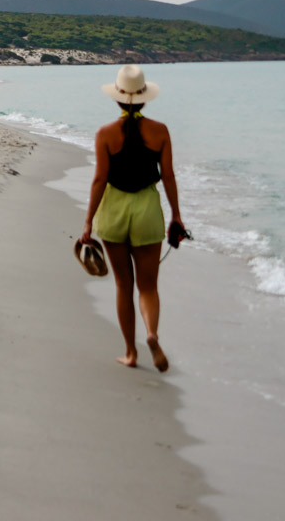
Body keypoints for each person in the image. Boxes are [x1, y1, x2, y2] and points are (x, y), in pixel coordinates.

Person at [80, 64, 183, 372]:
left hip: (113, 211)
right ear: (144, 98)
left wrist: (88, 222)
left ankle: (130, 352)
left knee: (124, 285)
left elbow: (100, 179)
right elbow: (168, 176)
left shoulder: (105, 134)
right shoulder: (160, 131)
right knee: (148, 287)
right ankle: (151, 334)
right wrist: (176, 216)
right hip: (147, 210)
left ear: (117, 98)